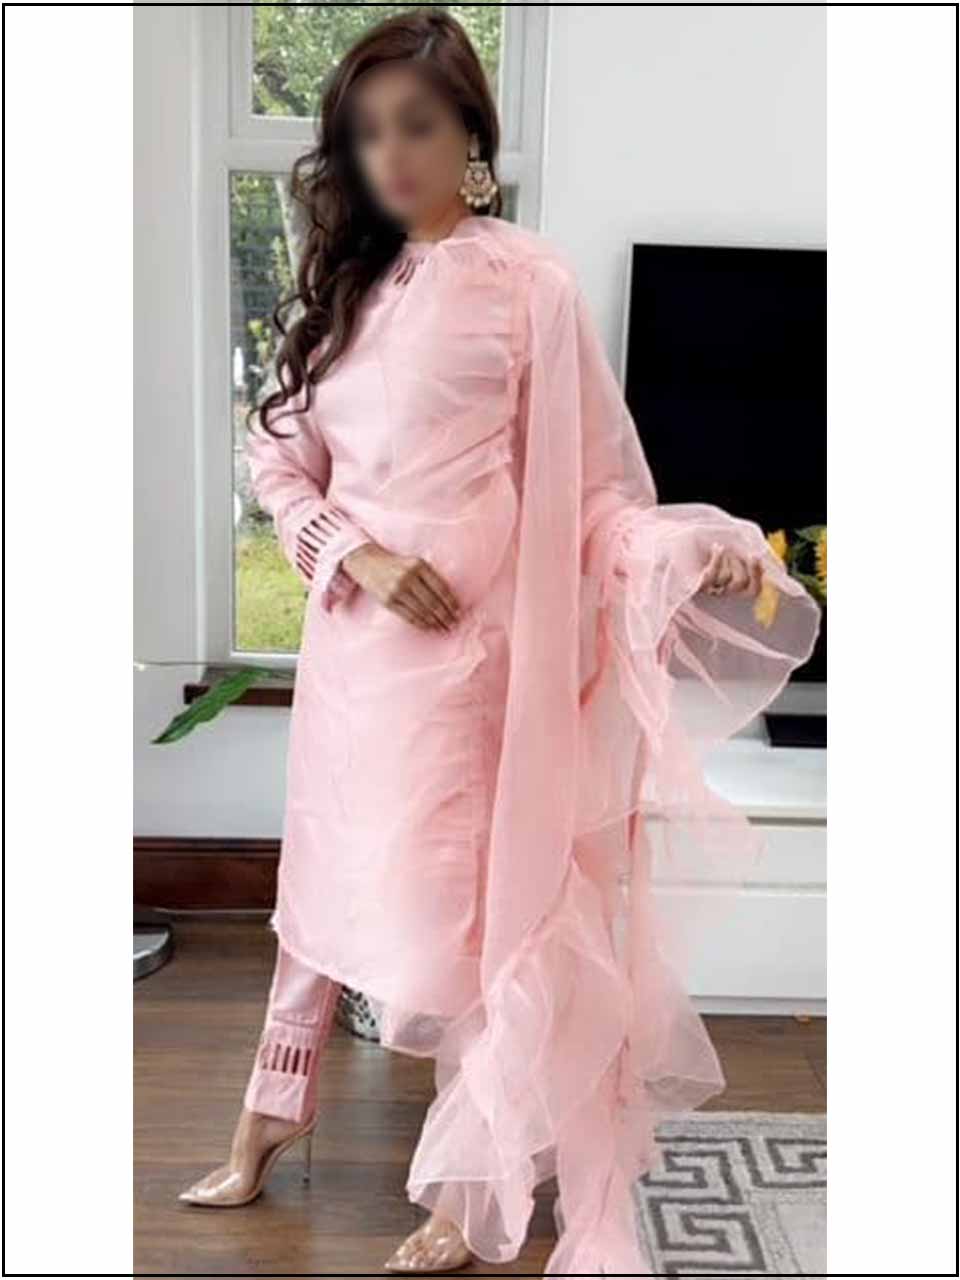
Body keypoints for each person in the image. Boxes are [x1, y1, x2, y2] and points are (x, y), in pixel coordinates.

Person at [178, 10, 821, 1276]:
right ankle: (269, 1113)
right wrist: (352, 551)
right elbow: (279, 459)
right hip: (355, 661)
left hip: (475, 674)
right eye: (367, 132)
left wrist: (687, 545)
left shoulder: (529, 284)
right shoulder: (347, 287)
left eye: (416, 125)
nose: (389, 155)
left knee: (472, 921)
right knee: (323, 890)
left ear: (471, 134)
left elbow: (593, 493)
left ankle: (473, 1183)